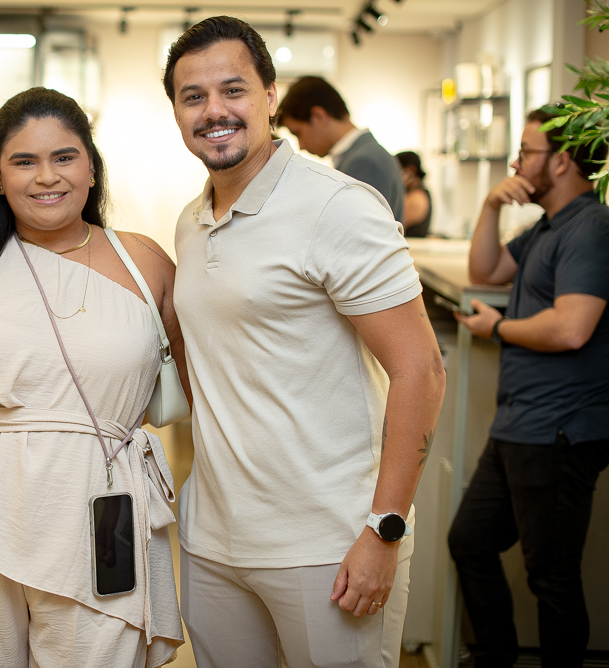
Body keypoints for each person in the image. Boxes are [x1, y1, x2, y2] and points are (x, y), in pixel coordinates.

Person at [162, 16, 446, 668]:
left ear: (270, 97)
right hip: (215, 539)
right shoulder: (191, 221)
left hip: (329, 543)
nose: (214, 111)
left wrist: (383, 530)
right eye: (193, 96)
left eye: (233, 89)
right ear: (176, 112)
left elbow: (422, 371)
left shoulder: (337, 206)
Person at [0, 87, 187, 667]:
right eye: (24, 161)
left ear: (91, 168)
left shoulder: (145, 264)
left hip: (102, 510)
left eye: (64, 157)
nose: (47, 176)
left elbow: (202, 386)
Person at [448, 109, 609, 668]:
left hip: (559, 430)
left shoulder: (591, 227)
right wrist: (491, 205)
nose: (516, 163)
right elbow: (486, 270)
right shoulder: (547, 226)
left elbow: (572, 328)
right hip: (522, 424)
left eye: (526, 152)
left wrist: (499, 328)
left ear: (561, 161)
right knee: (470, 541)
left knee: (552, 578)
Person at [277, 75, 406, 222]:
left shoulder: (364, 162)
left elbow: (358, 229)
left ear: (319, 116)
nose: (301, 146)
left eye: (298, 133)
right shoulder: (363, 155)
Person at [396, 151, 432, 237]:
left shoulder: (417, 197)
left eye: (398, 170)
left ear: (411, 170)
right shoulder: (416, 194)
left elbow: (392, 224)